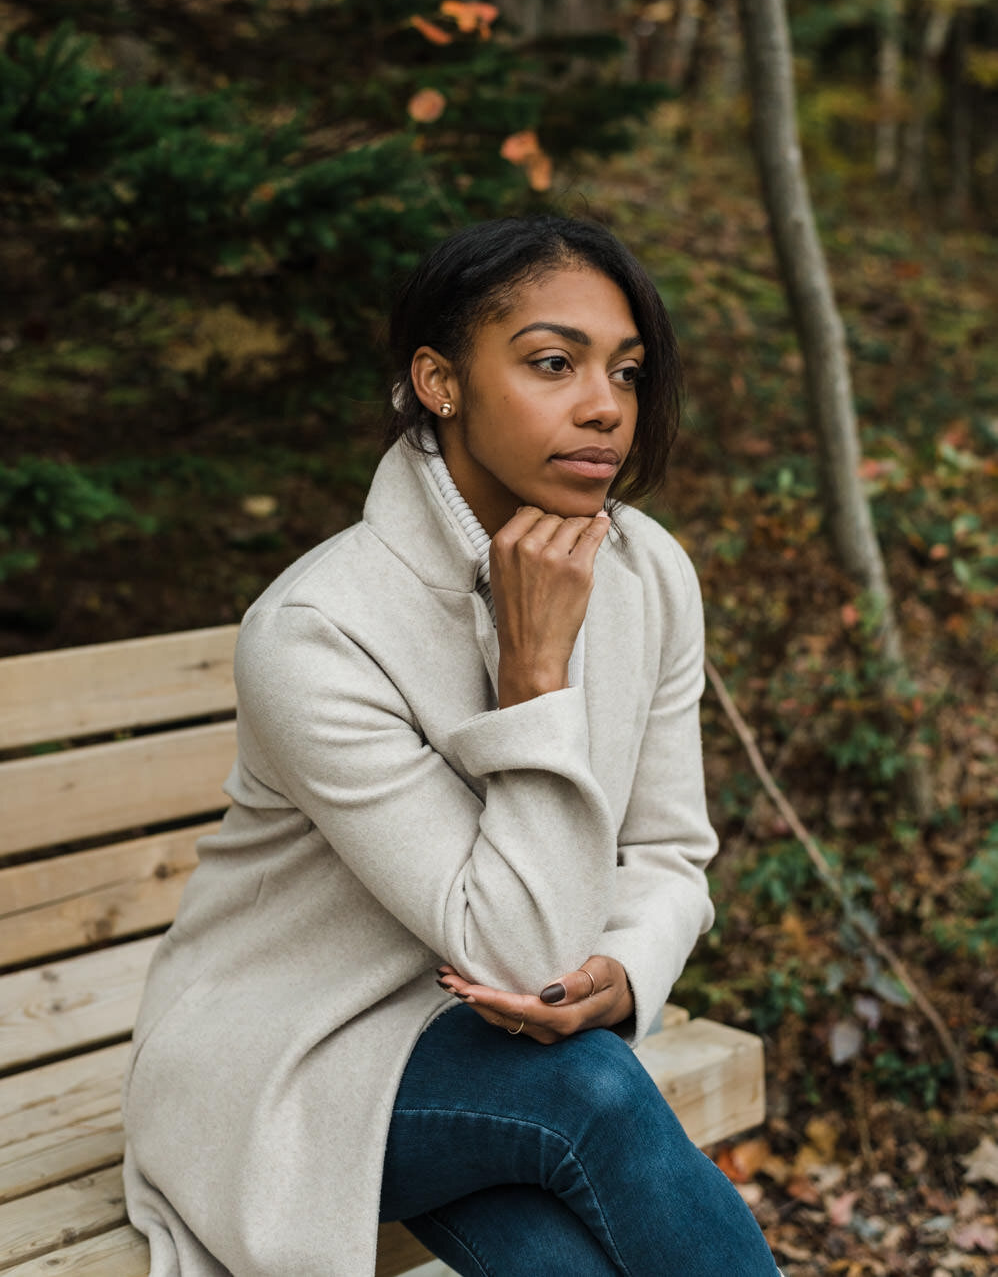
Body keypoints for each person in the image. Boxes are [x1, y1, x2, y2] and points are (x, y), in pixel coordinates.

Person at [122, 215, 781, 1276]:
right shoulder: (317, 630)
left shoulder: (650, 575)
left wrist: (620, 969)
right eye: (551, 364)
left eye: (623, 370)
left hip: (494, 1060)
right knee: (593, 1093)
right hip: (292, 1061)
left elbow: (667, 849)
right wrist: (533, 678)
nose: (604, 405)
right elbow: (514, 946)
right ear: (439, 381)